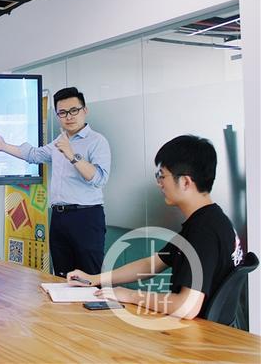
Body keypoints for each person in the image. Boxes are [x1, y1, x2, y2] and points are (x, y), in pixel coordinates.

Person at [67, 135, 243, 319]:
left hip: (202, 337)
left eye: (162, 175)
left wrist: (130, 295)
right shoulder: (209, 220)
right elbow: (151, 264)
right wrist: (94, 279)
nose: (159, 183)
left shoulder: (204, 231)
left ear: (185, 182)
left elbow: (187, 307)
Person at [0, 86, 111, 277]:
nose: (69, 116)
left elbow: (99, 178)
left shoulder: (97, 141)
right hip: (59, 217)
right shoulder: (60, 140)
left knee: (89, 276)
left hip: (86, 217)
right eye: (63, 112)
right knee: (61, 275)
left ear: (85, 110)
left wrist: (71, 153)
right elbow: (35, 155)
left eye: (74, 110)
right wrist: (3, 146)